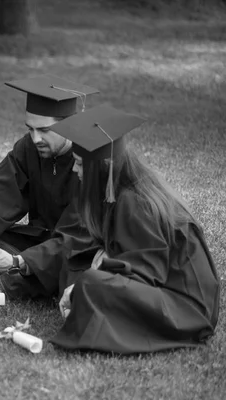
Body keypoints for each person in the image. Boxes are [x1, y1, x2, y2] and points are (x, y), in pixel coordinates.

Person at [47, 105, 220, 353]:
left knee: (90, 283)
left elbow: (147, 269)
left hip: (187, 309)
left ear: (102, 168)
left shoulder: (134, 202)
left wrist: (87, 283)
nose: (75, 170)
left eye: (80, 164)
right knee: (83, 268)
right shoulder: (129, 188)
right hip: (178, 294)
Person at [0, 75, 98, 299]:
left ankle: (4, 283)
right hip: (40, 240)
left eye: (44, 130)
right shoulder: (29, 148)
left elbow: (79, 234)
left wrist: (19, 261)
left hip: (74, 246)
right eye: (30, 129)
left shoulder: (89, 159)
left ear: (70, 125)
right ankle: (10, 271)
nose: (36, 139)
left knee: (76, 265)